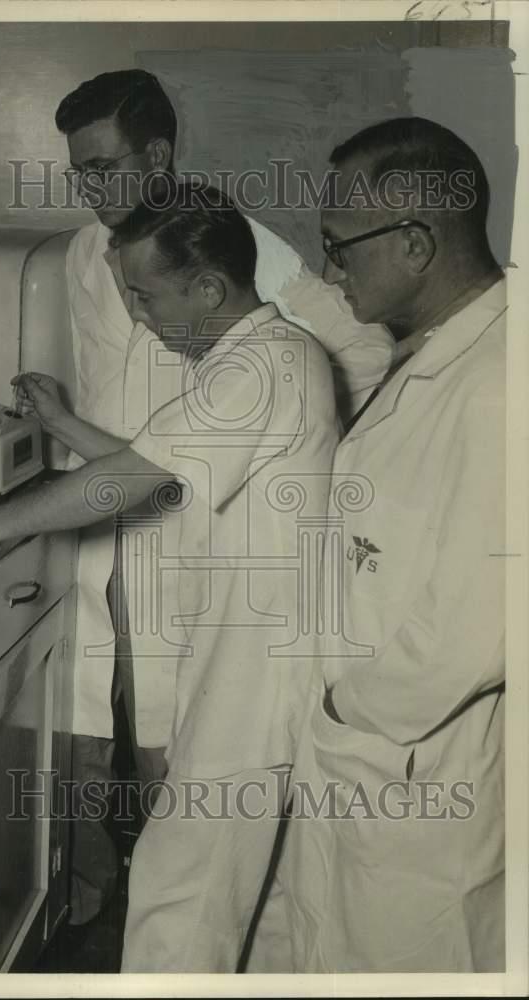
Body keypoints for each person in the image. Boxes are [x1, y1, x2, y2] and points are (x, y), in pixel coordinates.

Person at [0, 186, 339, 970]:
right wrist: (64, 423)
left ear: (208, 288)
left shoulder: (264, 365)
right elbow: (164, 466)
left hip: (261, 670)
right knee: (257, 899)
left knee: (184, 890)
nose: (137, 315)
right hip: (255, 654)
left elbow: (128, 482)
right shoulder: (254, 357)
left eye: (144, 294)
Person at [47, 68, 394, 926]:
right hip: (101, 519)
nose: (90, 190)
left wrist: (288, 443)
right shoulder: (81, 255)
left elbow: (362, 347)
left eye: (103, 168)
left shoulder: (235, 243)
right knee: (95, 729)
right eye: (78, 173)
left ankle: (178, 924)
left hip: (196, 525)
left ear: (158, 154)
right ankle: (93, 914)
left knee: (188, 765)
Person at [273, 117, 506, 972]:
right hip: (372, 757)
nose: (330, 270)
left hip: (413, 759)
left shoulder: (499, 382)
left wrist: (352, 711)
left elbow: (479, 625)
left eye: (338, 246)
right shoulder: (435, 348)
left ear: (414, 242)